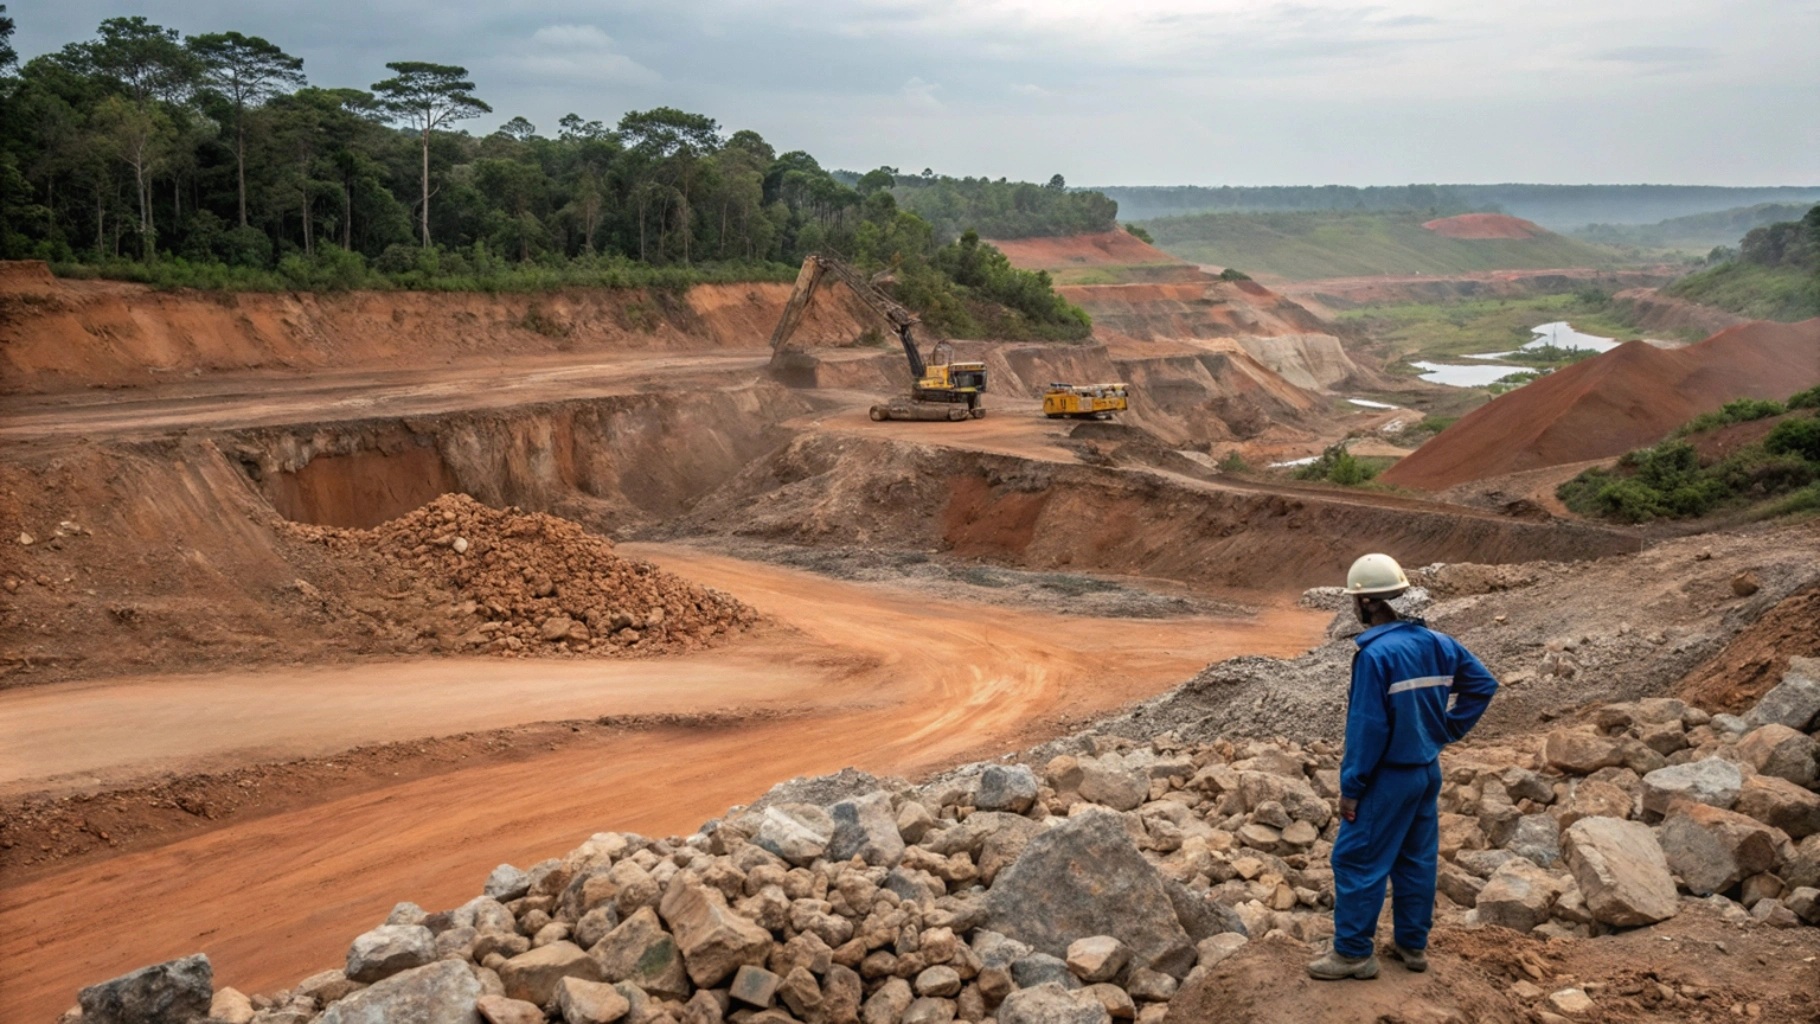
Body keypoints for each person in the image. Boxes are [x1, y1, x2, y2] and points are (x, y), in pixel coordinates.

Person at [1306, 553, 1499, 981]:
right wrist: (1445, 729)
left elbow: (1367, 729)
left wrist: (1351, 788)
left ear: (1368, 604)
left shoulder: (1375, 655)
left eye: (1356, 601)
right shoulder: (1438, 643)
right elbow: (1483, 686)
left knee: (1357, 861)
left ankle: (1354, 954)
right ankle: (1412, 947)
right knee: (1415, 860)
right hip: (1427, 772)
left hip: (1386, 779)